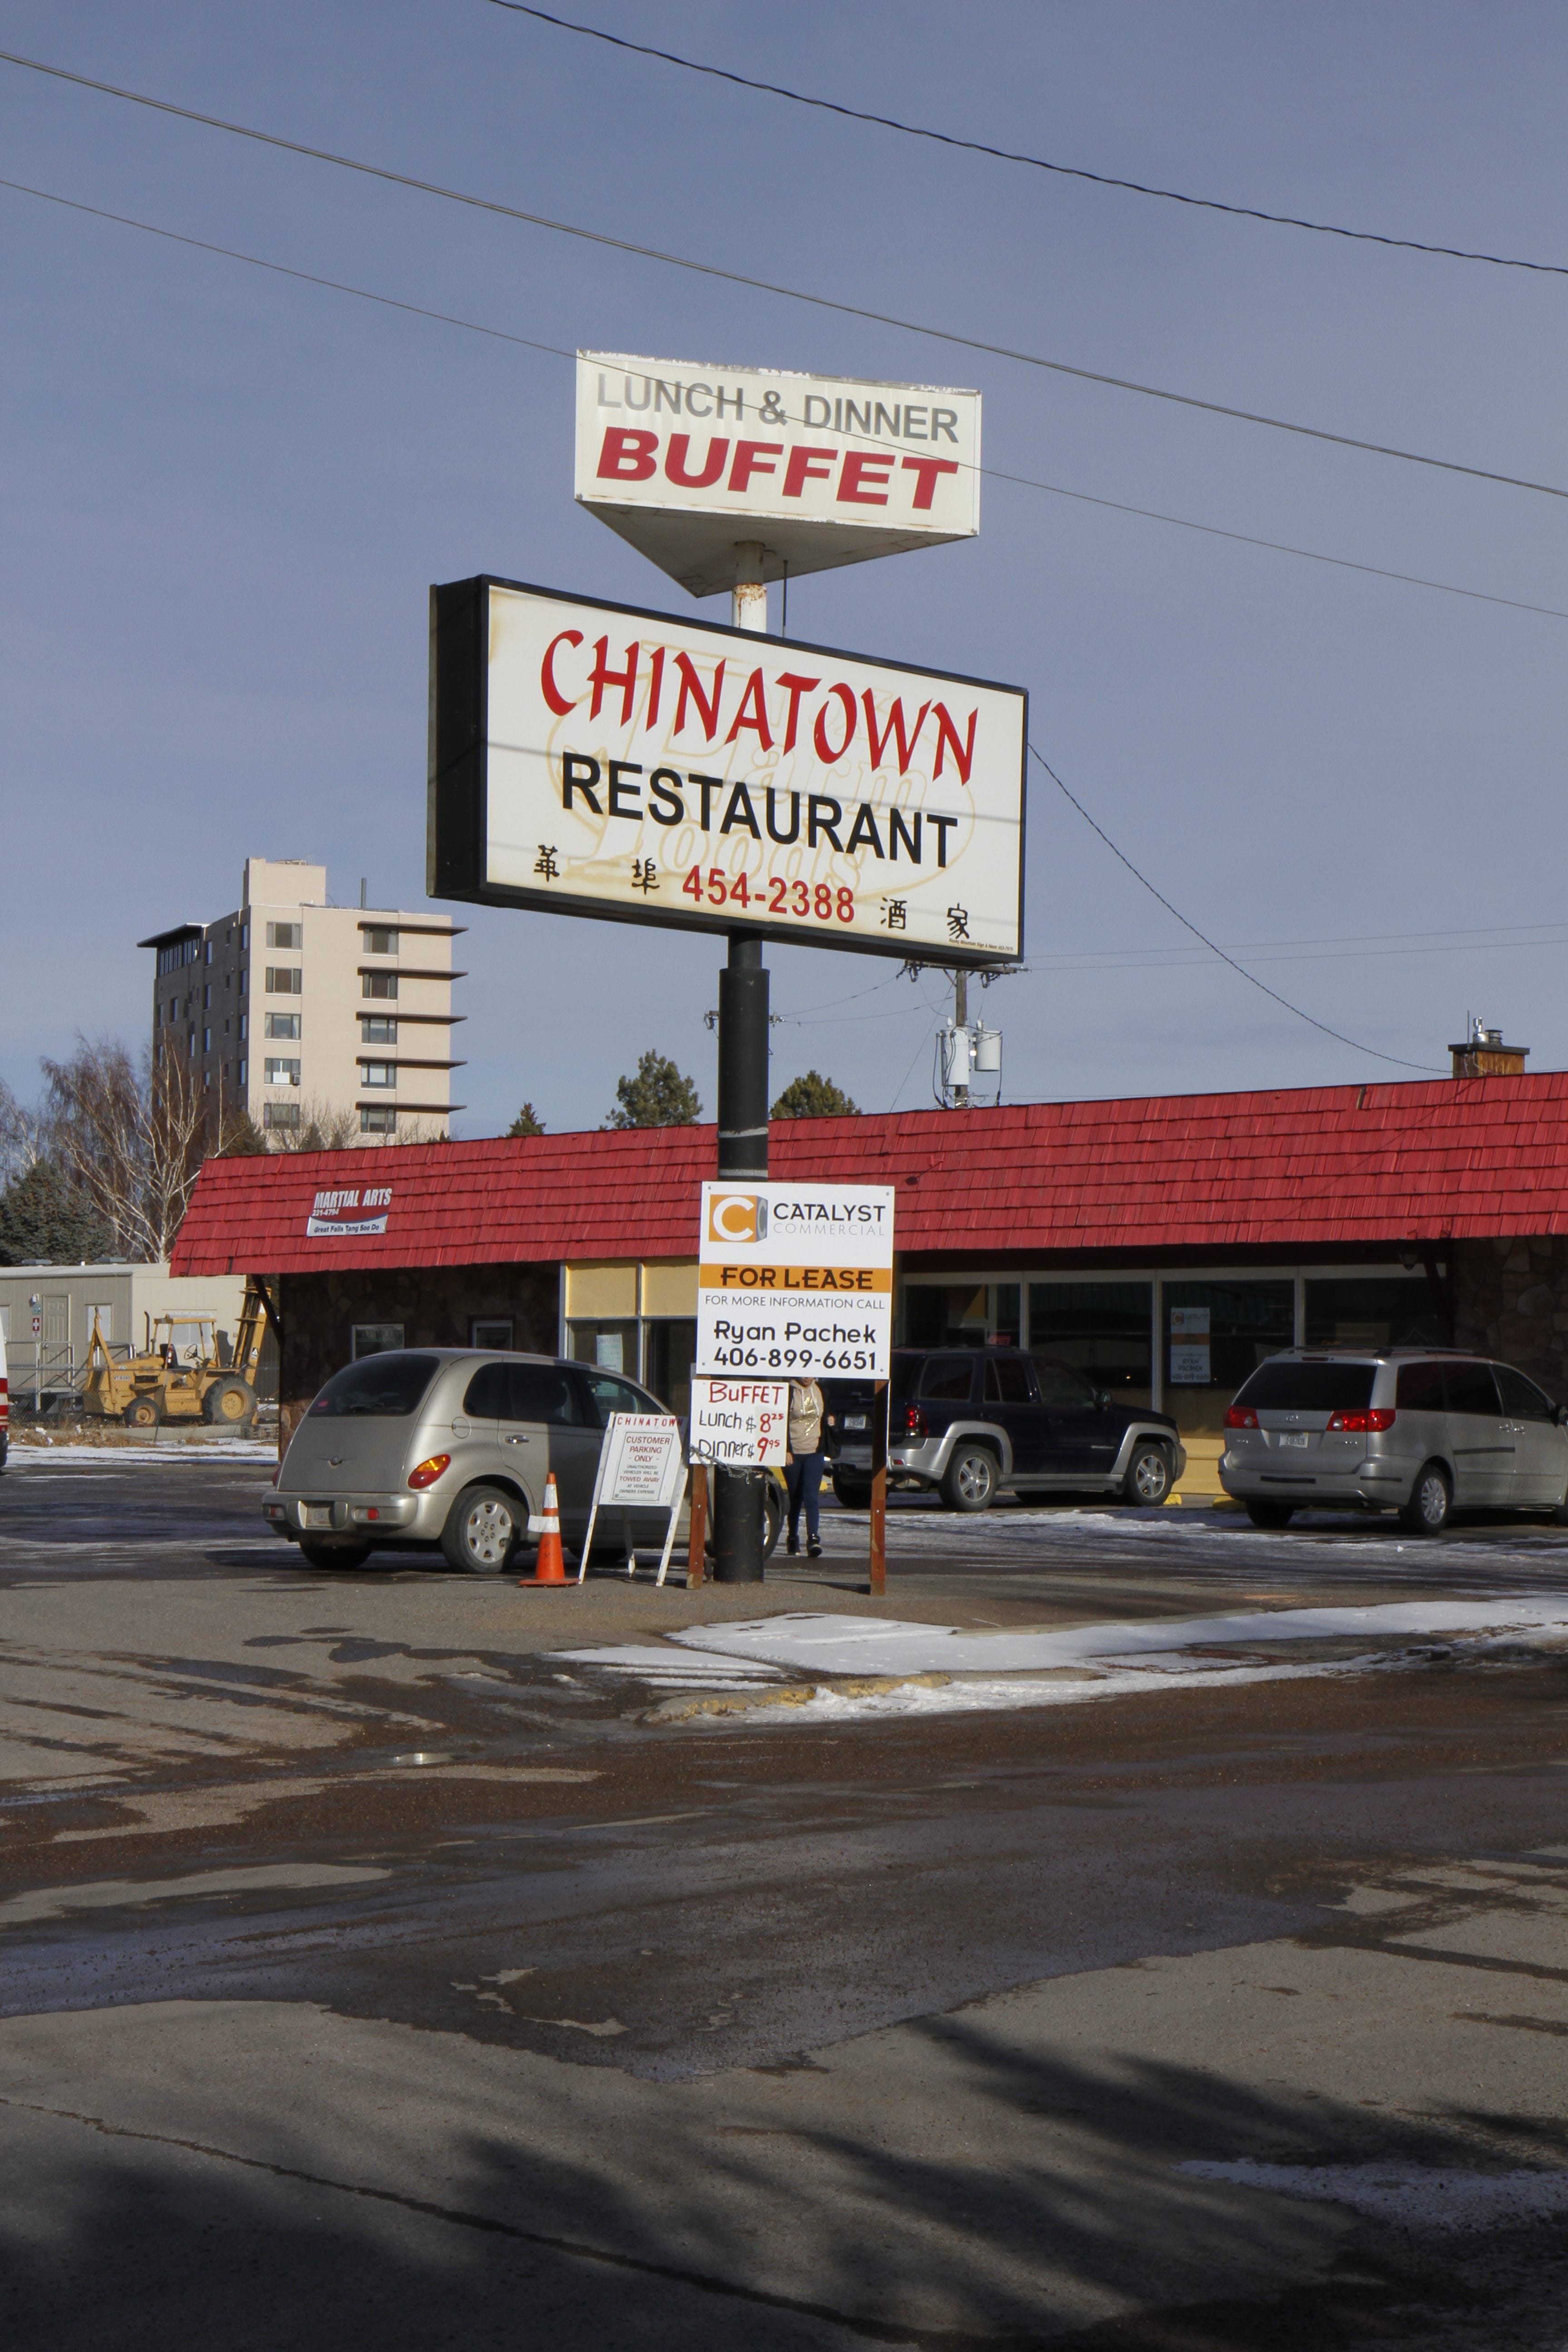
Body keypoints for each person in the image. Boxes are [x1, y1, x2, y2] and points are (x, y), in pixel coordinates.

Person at [784, 1378, 826, 1558]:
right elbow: (779, 1420)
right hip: (794, 1452)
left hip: (815, 1451)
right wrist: (785, 1449)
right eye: (803, 1373)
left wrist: (832, 1420)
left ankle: (813, 1539)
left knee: (812, 1496)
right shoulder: (788, 1392)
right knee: (796, 1498)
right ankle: (793, 1537)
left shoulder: (821, 1390)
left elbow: (827, 1413)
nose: (807, 1377)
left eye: (810, 1373)